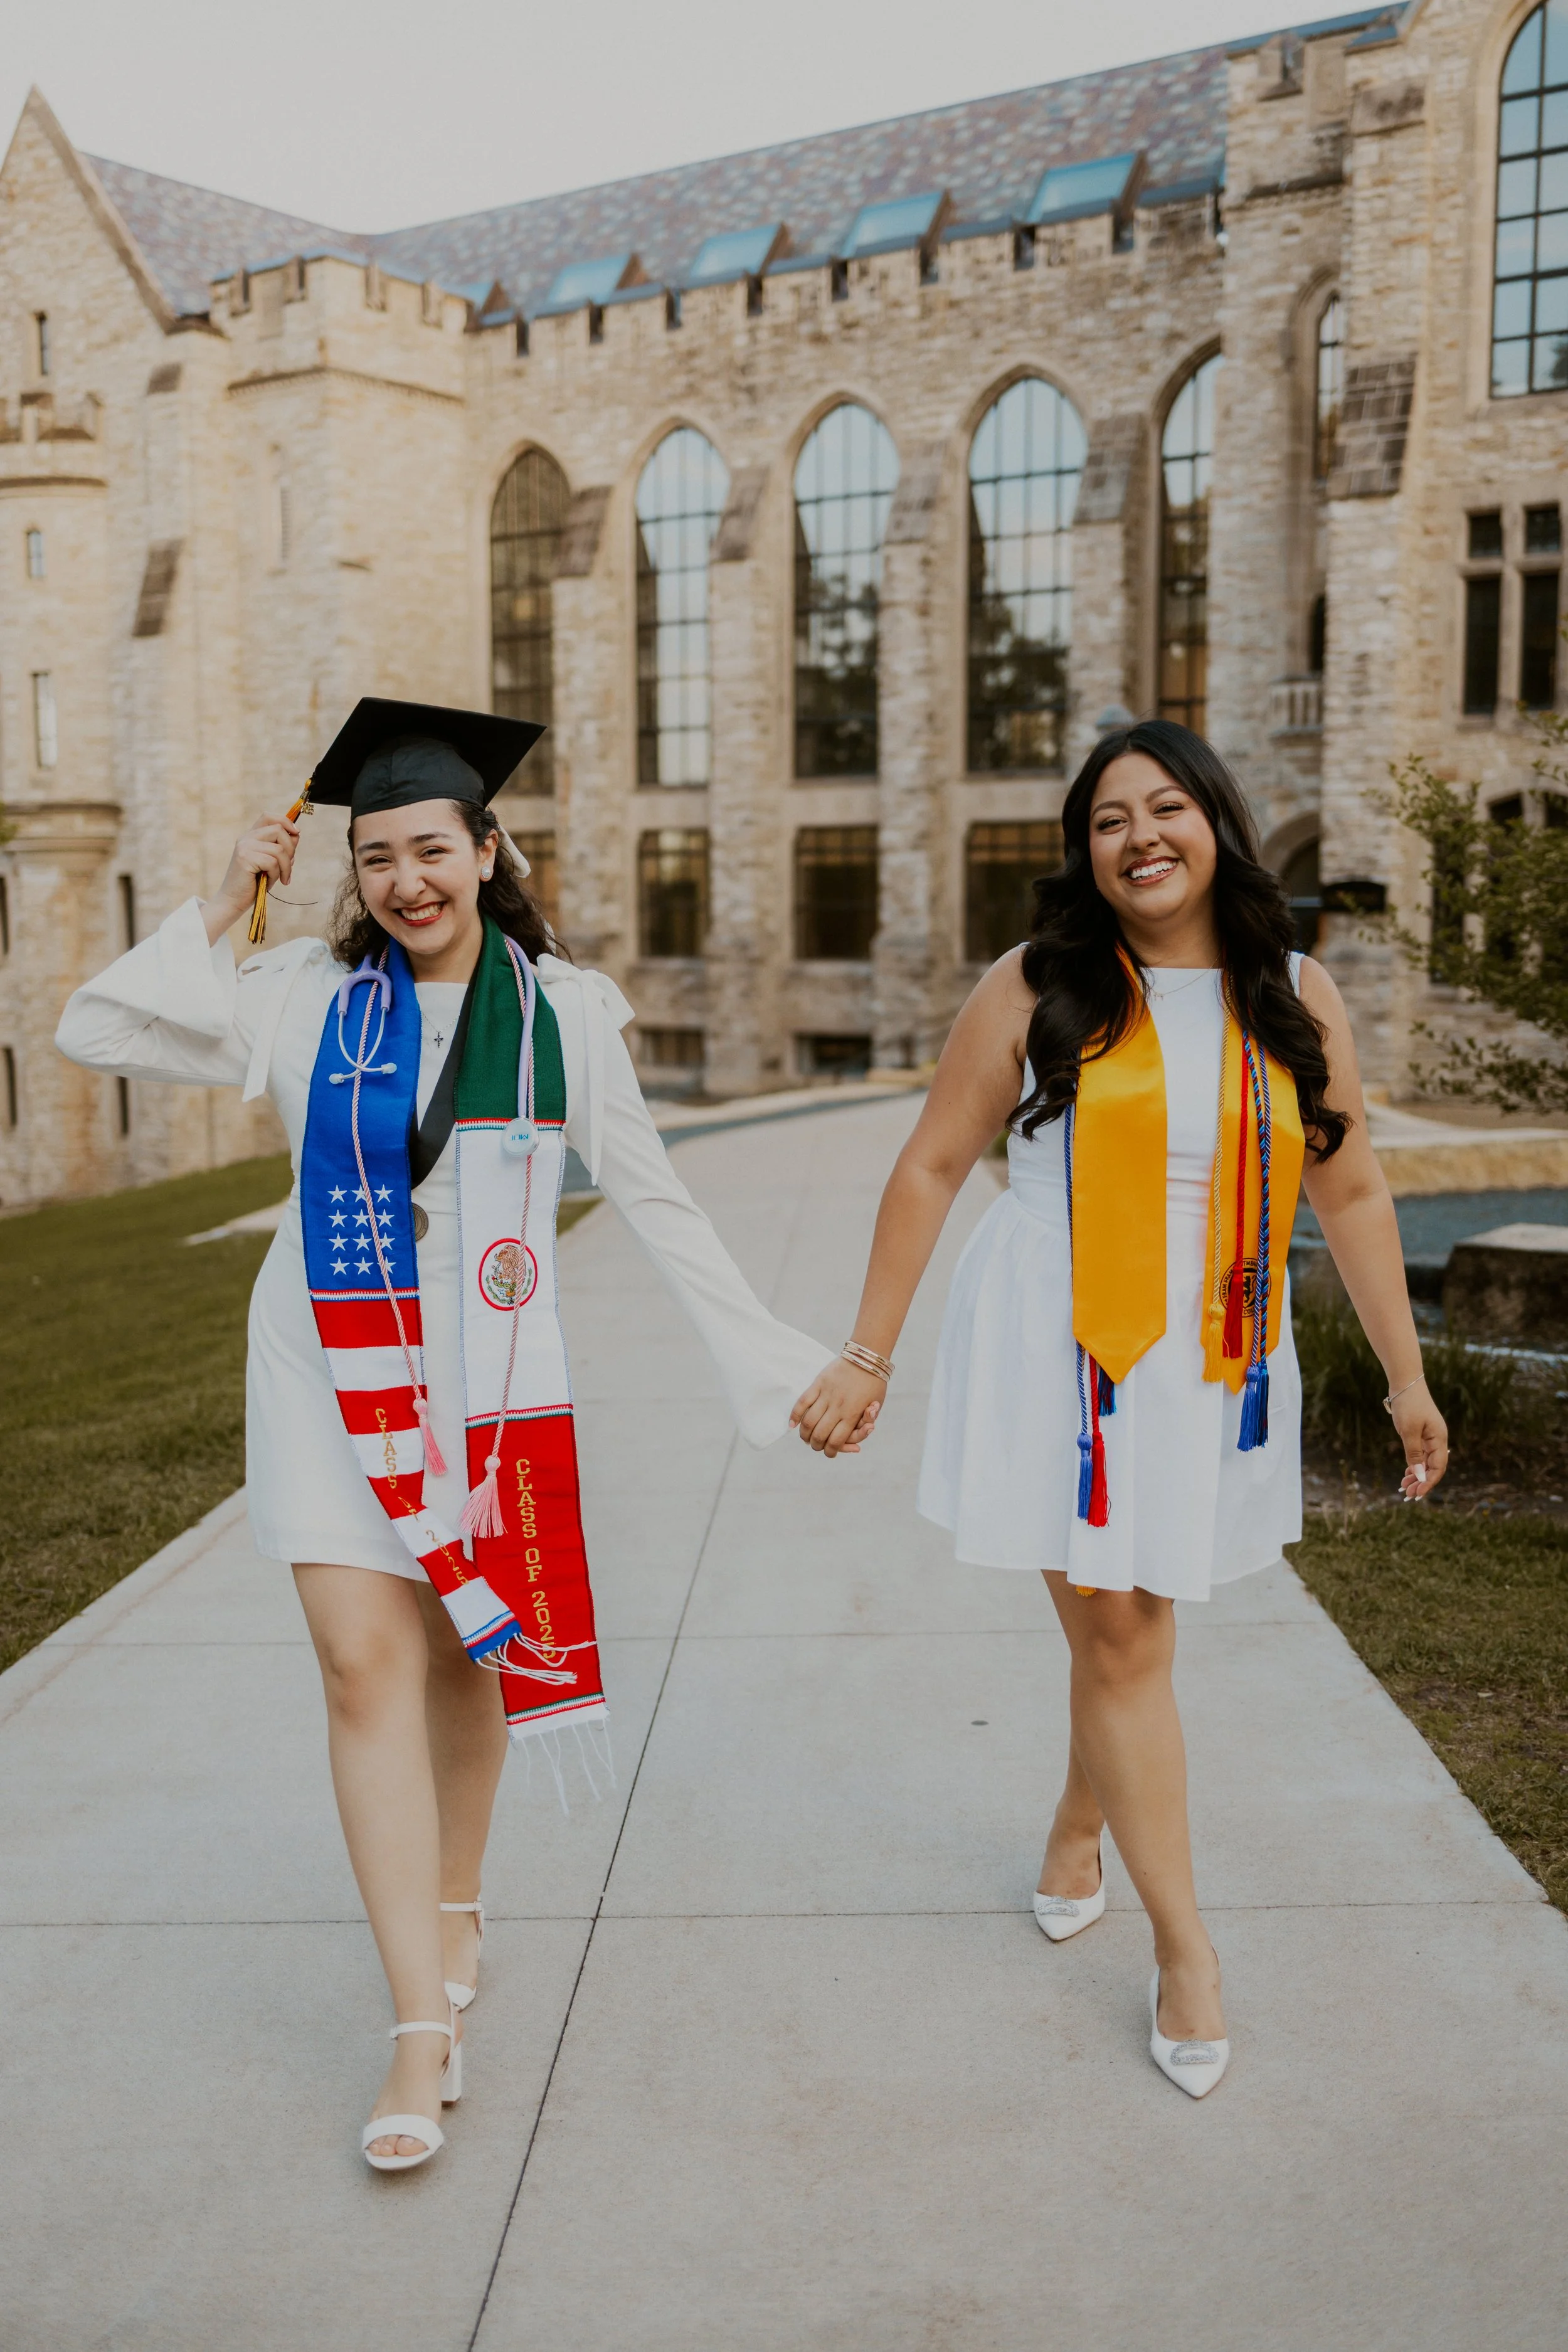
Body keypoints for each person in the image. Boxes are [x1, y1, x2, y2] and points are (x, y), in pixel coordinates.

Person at [57, 698, 847, 2171]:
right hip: (323, 1377)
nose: (406, 882)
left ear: (490, 849)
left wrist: (777, 1366)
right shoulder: (297, 989)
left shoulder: (569, 1015)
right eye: (375, 859)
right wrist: (233, 893)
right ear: (349, 875)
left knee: (462, 1664)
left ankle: (460, 1896)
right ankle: (419, 2028)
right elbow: (89, 1023)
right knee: (364, 1669)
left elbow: (655, 1201)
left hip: (483, 1390)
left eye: (432, 848)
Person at [792, 718, 1448, 2099]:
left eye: (1164, 809)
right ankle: (1185, 1949)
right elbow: (928, 1167)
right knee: (1123, 1632)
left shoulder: (1292, 991)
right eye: (1106, 820)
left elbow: (1351, 1191)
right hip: (1059, 1344)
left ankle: (1079, 1816)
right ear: (1081, 852)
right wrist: (867, 1351)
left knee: (1126, 1626)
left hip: (1212, 1353)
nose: (1138, 837)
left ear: (1214, 822)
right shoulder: (1039, 984)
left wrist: (1403, 1377)